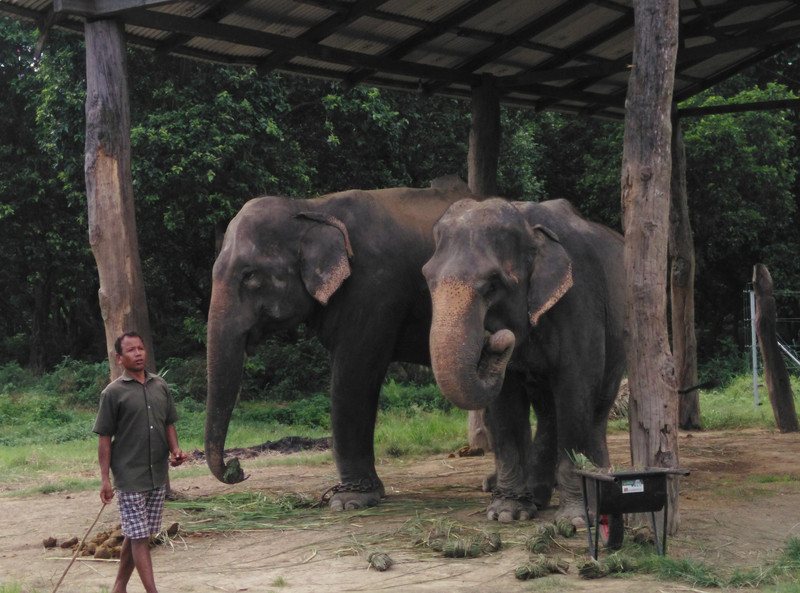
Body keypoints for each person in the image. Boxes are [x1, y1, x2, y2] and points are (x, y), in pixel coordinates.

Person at [93, 331, 188, 593]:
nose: (138, 354)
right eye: (131, 350)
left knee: (139, 533)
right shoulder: (112, 393)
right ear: (119, 358)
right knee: (139, 537)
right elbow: (104, 438)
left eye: (141, 348)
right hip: (129, 475)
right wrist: (105, 480)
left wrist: (176, 450)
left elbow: (168, 422)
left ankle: (119, 586)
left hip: (156, 473)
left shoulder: (160, 385)